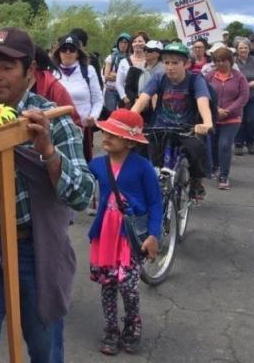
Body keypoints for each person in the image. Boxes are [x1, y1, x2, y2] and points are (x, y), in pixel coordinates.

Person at [0, 27, 95, 363]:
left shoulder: (53, 120)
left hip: (33, 249)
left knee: (44, 350)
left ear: (30, 74)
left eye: (7, 67)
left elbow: (83, 194)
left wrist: (49, 154)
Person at [88, 109, 162, 355]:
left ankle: (132, 323)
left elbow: (155, 202)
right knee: (107, 285)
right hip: (105, 235)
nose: (106, 137)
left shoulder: (143, 168)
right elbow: (79, 182)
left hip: (130, 236)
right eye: (105, 132)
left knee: (128, 287)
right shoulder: (97, 164)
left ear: (130, 142)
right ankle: (111, 328)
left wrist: (154, 234)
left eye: (114, 135)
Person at [131, 42, 213, 201]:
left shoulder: (195, 80)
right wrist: (129, 119)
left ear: (186, 64)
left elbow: (203, 102)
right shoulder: (159, 77)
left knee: (196, 149)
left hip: (186, 128)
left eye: (175, 63)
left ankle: (196, 182)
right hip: (160, 126)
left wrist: (207, 123)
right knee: (139, 148)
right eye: (166, 62)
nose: (170, 67)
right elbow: (142, 101)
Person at [52, 34, 103, 161]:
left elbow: (98, 99)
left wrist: (94, 116)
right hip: (58, 128)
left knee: (82, 162)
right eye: (64, 49)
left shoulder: (88, 71)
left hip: (83, 128)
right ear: (59, 52)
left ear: (78, 53)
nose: (68, 52)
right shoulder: (52, 72)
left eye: (72, 49)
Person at [205, 48, 249, 189]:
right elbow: (204, 94)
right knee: (213, 145)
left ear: (230, 61)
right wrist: (215, 109)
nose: (220, 63)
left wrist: (228, 110)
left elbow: (243, 97)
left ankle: (224, 175)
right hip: (213, 117)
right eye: (217, 61)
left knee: (224, 145)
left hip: (232, 118)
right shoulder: (210, 76)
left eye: (223, 60)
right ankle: (215, 166)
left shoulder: (239, 77)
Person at [30, 48, 82, 127]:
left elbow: (75, 125)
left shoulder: (55, 89)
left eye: (8, 67)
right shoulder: (12, 89)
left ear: (33, 66)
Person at [233, 37, 254, 155]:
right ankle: (239, 143)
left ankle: (251, 142)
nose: (243, 50)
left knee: (253, 120)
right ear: (237, 49)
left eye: (245, 47)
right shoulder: (233, 62)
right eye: (240, 47)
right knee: (239, 120)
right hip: (238, 96)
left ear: (249, 48)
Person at [116, 31, 148, 108]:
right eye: (134, 41)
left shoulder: (150, 61)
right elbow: (119, 83)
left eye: (140, 41)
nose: (137, 43)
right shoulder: (124, 62)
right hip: (128, 101)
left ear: (146, 43)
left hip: (146, 102)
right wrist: (124, 98)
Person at [103, 33, 132, 112]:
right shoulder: (111, 57)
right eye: (121, 42)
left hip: (124, 92)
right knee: (110, 114)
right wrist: (121, 77)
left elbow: (130, 78)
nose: (123, 44)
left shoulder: (131, 59)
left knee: (124, 115)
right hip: (111, 90)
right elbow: (107, 76)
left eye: (125, 42)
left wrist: (114, 74)